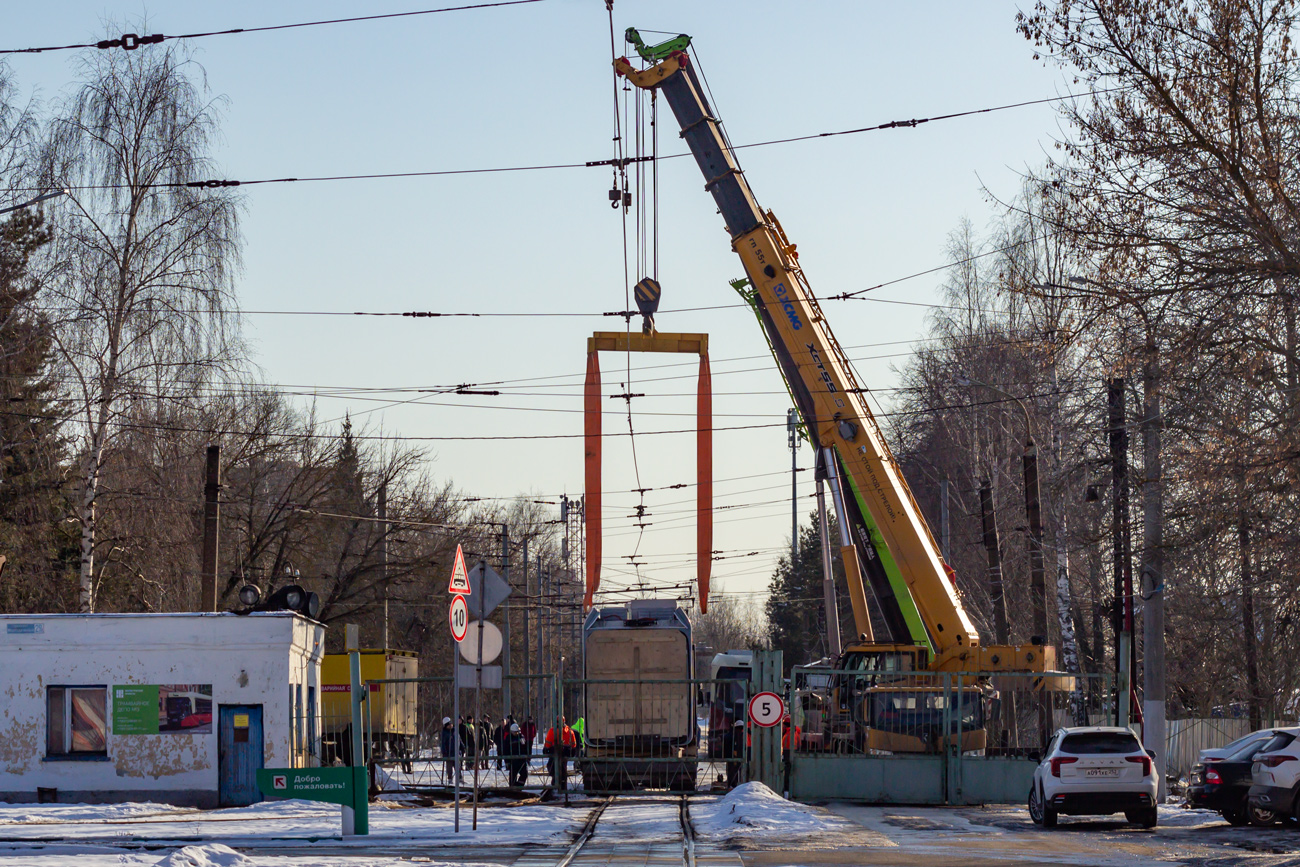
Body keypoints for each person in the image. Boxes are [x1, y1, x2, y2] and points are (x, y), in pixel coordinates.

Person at [544, 716, 578, 790]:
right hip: (565, 753)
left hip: (554, 753)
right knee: (563, 770)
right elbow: (573, 744)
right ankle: (563, 787)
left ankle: (555, 785)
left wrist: (546, 750)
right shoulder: (569, 731)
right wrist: (572, 752)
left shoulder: (552, 731)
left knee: (552, 767)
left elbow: (547, 744)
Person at [505, 721, 529, 787]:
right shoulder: (508, 738)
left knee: (524, 774)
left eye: (517, 731)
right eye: (515, 732)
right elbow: (505, 750)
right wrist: (507, 761)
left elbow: (525, 747)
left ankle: (518, 786)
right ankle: (513, 787)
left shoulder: (521, 737)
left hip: (521, 760)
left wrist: (527, 756)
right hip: (513, 760)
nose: (517, 733)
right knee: (512, 776)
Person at [440, 716, 460, 784]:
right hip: (448, 753)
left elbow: (459, 740)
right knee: (449, 767)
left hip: (456, 752)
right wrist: (444, 752)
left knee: (458, 766)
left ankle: (460, 778)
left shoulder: (455, 731)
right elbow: (443, 743)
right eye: (448, 725)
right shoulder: (444, 733)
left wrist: (462, 747)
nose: (450, 725)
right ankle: (450, 779)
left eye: (451, 724)